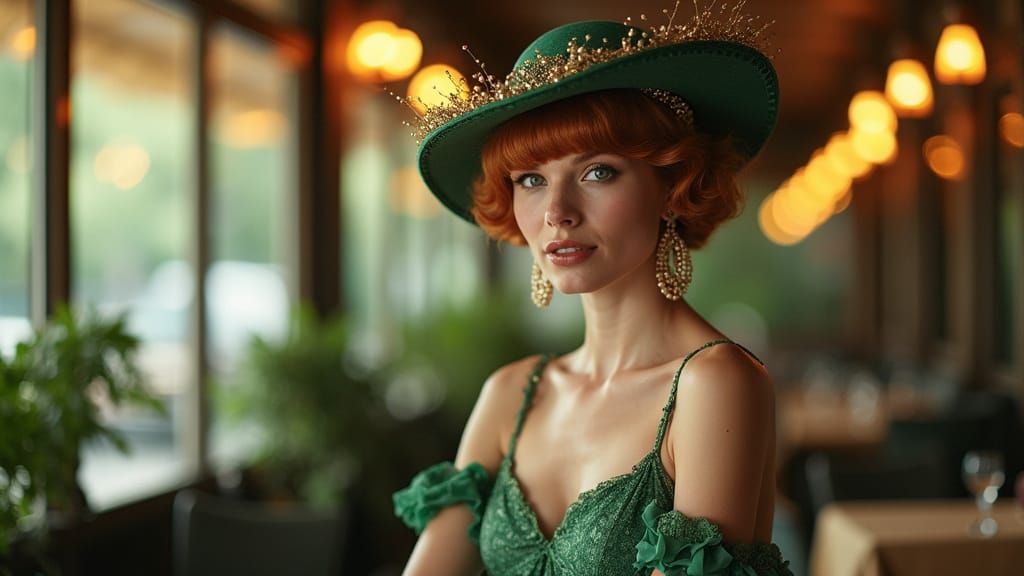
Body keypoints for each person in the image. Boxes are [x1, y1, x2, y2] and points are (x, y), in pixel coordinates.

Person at [392, 2, 793, 575]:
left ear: (672, 186)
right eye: (531, 180)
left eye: (597, 171)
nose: (556, 212)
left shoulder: (715, 384)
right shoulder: (511, 393)